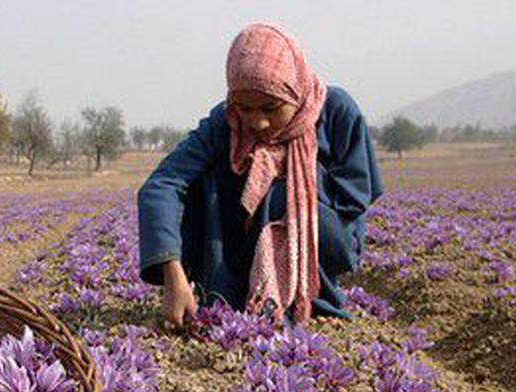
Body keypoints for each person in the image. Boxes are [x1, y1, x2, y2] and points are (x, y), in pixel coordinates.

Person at [137, 23, 382, 330]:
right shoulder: (226, 120)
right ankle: (223, 290)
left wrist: (282, 182)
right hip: (244, 241)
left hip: (325, 238)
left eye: (270, 107)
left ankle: (293, 297)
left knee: (279, 185)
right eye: (245, 108)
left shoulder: (335, 110)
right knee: (206, 176)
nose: (258, 122)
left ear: (294, 90)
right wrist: (172, 272)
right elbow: (162, 185)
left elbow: (353, 199)